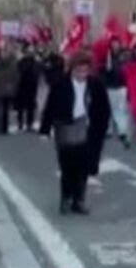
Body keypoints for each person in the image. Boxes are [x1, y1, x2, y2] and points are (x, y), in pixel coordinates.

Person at [40, 51, 111, 215]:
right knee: (67, 167)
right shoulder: (60, 84)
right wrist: (45, 130)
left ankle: (79, 200)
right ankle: (65, 198)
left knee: (83, 167)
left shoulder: (95, 85)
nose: (82, 74)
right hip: (66, 128)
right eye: (79, 71)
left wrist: (101, 127)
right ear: (72, 69)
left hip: (87, 130)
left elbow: (103, 109)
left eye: (85, 71)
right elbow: (50, 108)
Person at [102, 38, 136, 153]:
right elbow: (123, 73)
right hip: (132, 92)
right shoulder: (129, 60)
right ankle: (128, 137)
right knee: (132, 117)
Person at [0, 42, 20, 135]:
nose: (4, 53)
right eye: (3, 51)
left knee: (3, 109)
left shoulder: (12, 63)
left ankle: (2, 128)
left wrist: (14, 87)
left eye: (5, 51)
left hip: (5, 89)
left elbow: (16, 77)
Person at [14, 44, 41, 132]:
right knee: (21, 107)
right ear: (25, 52)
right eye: (29, 51)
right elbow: (18, 73)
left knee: (30, 107)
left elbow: (38, 73)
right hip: (22, 86)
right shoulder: (21, 62)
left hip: (32, 86)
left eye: (31, 51)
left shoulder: (36, 62)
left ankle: (29, 124)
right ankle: (20, 123)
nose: (30, 53)